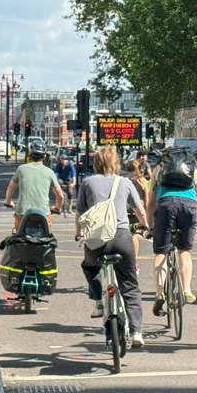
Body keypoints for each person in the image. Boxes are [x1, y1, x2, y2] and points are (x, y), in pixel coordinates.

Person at [76, 146, 148, 348]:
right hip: (122, 237)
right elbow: (139, 210)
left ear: (96, 163)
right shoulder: (125, 182)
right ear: (116, 162)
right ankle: (136, 332)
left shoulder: (88, 182)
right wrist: (145, 226)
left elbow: (79, 214)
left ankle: (99, 301)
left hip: (97, 239)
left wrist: (78, 232)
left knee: (90, 267)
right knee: (130, 286)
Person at [147, 147, 197, 314]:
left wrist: (150, 226)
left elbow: (151, 202)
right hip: (188, 207)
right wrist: (194, 222)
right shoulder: (196, 172)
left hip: (166, 205)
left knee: (161, 252)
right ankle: (186, 289)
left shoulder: (158, 169)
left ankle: (159, 293)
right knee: (184, 250)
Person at [4, 139, 63, 232]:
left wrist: (8, 202)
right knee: (47, 237)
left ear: (30, 155)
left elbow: (10, 188)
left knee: (18, 237)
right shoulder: (49, 172)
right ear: (44, 156)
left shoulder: (21, 169)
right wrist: (57, 208)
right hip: (43, 213)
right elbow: (60, 195)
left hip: (23, 212)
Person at [124, 158, 149, 274]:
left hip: (122, 210)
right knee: (133, 234)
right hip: (135, 211)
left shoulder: (122, 179)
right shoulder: (142, 180)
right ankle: (134, 262)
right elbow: (147, 200)